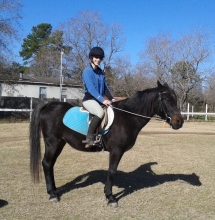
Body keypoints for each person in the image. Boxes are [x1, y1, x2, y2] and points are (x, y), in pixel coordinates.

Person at [82, 46, 115, 148]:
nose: (98, 59)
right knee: (100, 112)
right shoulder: (87, 72)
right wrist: (103, 100)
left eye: (100, 58)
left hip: (99, 100)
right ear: (91, 58)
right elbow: (91, 89)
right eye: (96, 57)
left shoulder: (100, 72)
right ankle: (89, 137)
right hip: (89, 99)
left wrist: (111, 98)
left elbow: (105, 87)